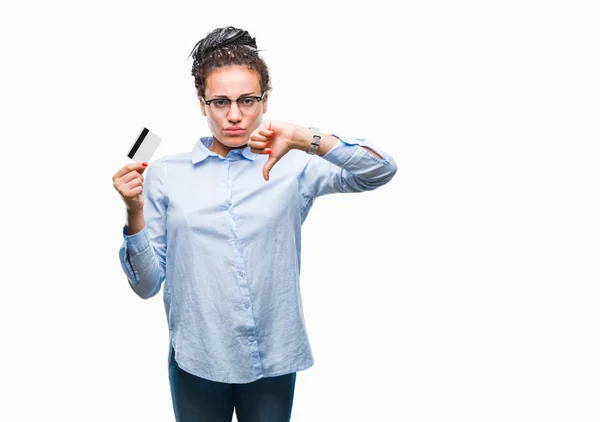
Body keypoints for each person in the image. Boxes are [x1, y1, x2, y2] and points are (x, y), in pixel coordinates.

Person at [112, 26, 397, 422]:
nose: (234, 115)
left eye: (247, 100)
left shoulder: (293, 164)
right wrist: (133, 211)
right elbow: (146, 286)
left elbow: (379, 170)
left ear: (265, 99)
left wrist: (302, 136)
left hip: (273, 354)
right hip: (198, 356)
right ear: (201, 103)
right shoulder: (164, 174)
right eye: (220, 102)